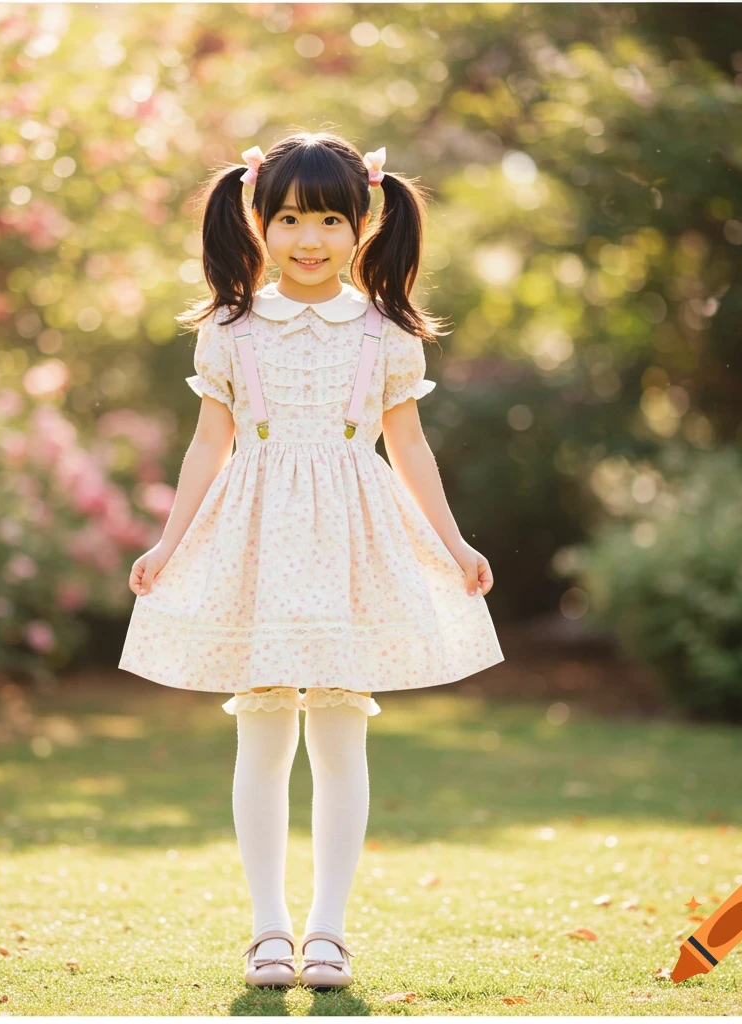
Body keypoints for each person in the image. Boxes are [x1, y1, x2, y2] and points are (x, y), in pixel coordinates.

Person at [119, 130, 504, 990]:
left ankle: (328, 929)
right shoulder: (230, 331)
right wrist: (168, 542)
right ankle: (268, 928)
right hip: (251, 540)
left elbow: (409, 450)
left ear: (363, 224)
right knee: (259, 738)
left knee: (337, 737)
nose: (310, 237)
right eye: (290, 216)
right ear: (258, 219)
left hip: (348, 546)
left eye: (331, 217)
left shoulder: (384, 334)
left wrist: (455, 541)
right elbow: (206, 446)